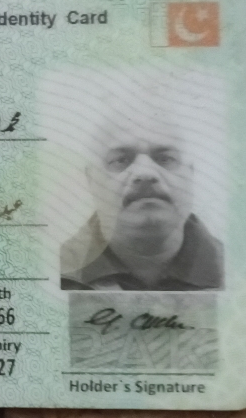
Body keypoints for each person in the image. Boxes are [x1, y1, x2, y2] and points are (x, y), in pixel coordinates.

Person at [60, 98, 223, 290]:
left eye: (165, 158)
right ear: (92, 180)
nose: (145, 173)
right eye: (121, 160)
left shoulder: (241, 273)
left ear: (190, 175)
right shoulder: (49, 272)